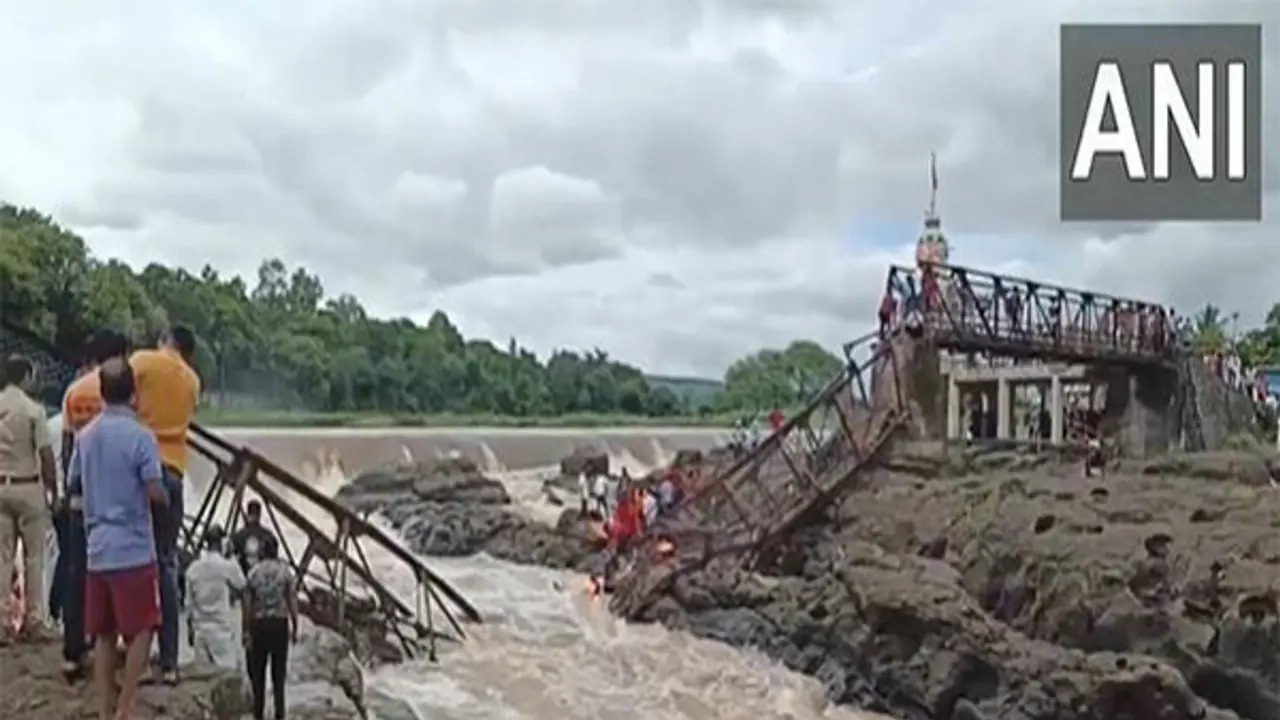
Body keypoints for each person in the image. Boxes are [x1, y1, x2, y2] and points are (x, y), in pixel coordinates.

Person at [67, 358, 168, 719]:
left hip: (98, 549)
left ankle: (104, 706)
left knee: (104, 633)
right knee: (144, 627)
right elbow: (155, 490)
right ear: (134, 393)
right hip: (134, 549)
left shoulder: (86, 435)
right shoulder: (142, 436)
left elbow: (73, 482)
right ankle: (126, 705)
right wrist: (163, 497)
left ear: (103, 394)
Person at [130, 325, 200, 683]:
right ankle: (169, 661)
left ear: (164, 340)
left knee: (135, 561)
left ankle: (135, 659)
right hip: (174, 472)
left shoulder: (142, 361)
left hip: (140, 471)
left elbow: (119, 401)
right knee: (167, 564)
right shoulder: (192, 380)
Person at [59, 330, 129, 679]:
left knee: (76, 572)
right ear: (117, 356)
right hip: (114, 501)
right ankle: (112, 642)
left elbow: (67, 447)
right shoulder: (118, 395)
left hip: (80, 497)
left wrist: (69, 492)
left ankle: (73, 651)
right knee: (115, 571)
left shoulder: (74, 392)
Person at [0, 354, 59, 644]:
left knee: (2, 557)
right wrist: (54, 490)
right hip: (28, 486)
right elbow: (46, 455)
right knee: (34, 557)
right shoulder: (34, 410)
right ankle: (33, 621)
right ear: (25, 377)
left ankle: (1, 623)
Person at [243, 533, 297, 720]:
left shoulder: (253, 573)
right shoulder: (285, 572)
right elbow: (292, 600)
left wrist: (246, 630)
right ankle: (279, 714)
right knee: (278, 674)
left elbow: (247, 605)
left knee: (258, 674)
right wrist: (295, 625)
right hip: (279, 625)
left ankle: (258, 714)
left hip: (259, 625)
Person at [185, 525, 246, 671]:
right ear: (222, 543)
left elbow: (189, 605)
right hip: (221, 631)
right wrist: (231, 557)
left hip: (200, 631)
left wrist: (190, 631)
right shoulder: (225, 566)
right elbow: (241, 583)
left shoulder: (193, 569)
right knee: (228, 676)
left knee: (203, 680)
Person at [230, 500, 275, 575]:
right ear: (259, 515)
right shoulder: (269, 536)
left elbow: (230, 556)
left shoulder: (238, 535)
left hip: (242, 578)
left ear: (248, 514)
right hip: (264, 578)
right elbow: (274, 558)